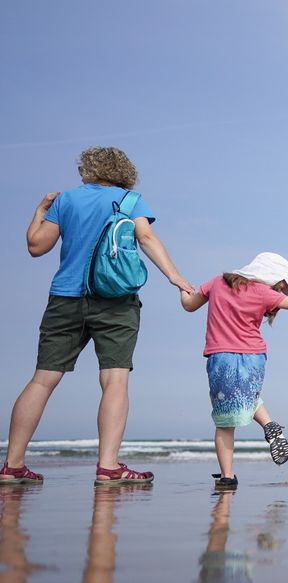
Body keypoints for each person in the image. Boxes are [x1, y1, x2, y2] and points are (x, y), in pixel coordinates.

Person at [1, 147, 194, 485]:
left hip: (65, 298)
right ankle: (108, 467)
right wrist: (175, 277)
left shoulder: (67, 200)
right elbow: (146, 238)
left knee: (43, 379)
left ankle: (13, 465)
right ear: (123, 171)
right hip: (116, 300)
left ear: (88, 170)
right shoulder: (130, 200)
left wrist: (40, 211)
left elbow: (36, 246)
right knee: (114, 380)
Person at [181, 252, 288, 489]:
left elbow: (189, 305)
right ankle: (270, 426)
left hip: (221, 358)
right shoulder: (264, 293)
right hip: (254, 358)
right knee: (248, 397)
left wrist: (182, 287)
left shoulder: (217, 283)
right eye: (279, 285)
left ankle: (227, 476)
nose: (279, 290)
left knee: (224, 422)